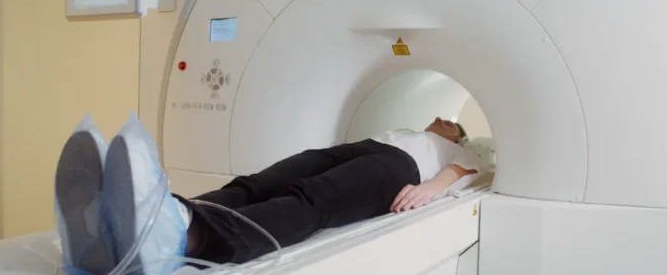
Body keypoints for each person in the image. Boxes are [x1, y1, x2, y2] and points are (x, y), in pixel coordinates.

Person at [53, 114, 483, 275]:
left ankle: (187, 237)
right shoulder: (404, 128)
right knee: (257, 184)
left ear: (457, 135)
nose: (441, 118)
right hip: (365, 148)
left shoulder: (458, 148)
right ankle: (154, 217)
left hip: (397, 169)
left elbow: (469, 170)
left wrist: (431, 187)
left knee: (313, 200)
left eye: (449, 121)